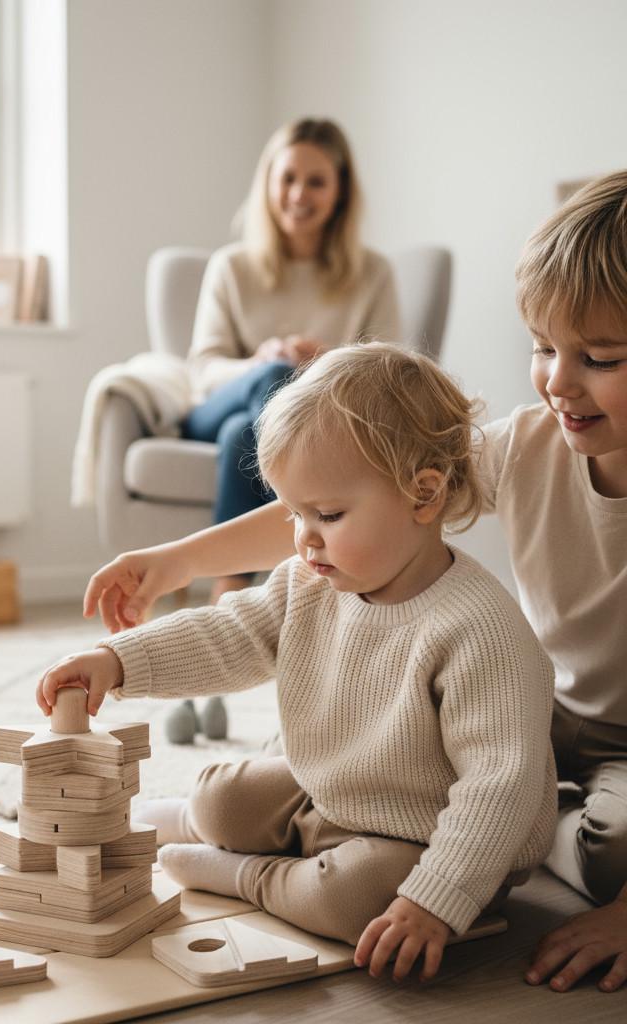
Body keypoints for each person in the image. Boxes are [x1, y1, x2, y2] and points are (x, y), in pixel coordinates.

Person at [82, 171, 627, 994]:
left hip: (604, 752)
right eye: (544, 348)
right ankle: (484, 814)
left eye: (600, 358)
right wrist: (179, 563)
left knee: (605, 849)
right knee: (356, 760)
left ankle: (508, 823)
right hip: (542, 711)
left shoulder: (476, 627)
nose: (558, 381)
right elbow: (351, 494)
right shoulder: (529, 442)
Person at [39, 343, 557, 983]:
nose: (304, 537)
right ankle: (200, 822)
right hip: (333, 796)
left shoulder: (480, 630)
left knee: (354, 901)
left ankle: (245, 875)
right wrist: (115, 661)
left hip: (429, 841)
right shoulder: (308, 582)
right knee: (223, 793)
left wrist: (434, 901)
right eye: (295, 513)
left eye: (329, 515)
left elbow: (498, 790)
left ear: (424, 497)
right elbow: (225, 635)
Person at [182, 118, 400, 602]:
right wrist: (261, 363)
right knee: (273, 380)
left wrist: (327, 362)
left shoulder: (372, 274)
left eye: (316, 181)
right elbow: (202, 371)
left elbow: (392, 375)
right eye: (288, 179)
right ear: (269, 185)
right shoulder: (232, 266)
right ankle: (308, 509)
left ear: (340, 192)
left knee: (241, 434)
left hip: (296, 419)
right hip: (222, 399)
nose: (299, 193)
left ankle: (229, 592)